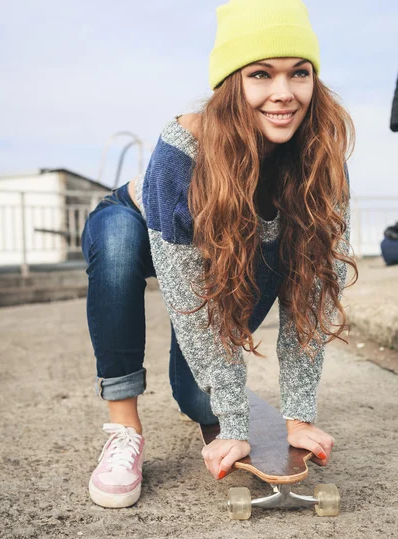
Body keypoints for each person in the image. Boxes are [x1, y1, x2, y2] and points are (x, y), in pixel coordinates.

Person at [81, 0, 358, 509]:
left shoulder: (321, 153)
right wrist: (233, 420)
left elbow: (311, 292)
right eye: (260, 74)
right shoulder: (183, 148)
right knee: (116, 246)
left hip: (231, 243)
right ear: (231, 83)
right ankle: (123, 430)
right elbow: (190, 301)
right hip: (143, 223)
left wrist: (298, 414)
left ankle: (201, 396)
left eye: (300, 73)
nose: (284, 93)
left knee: (195, 395)